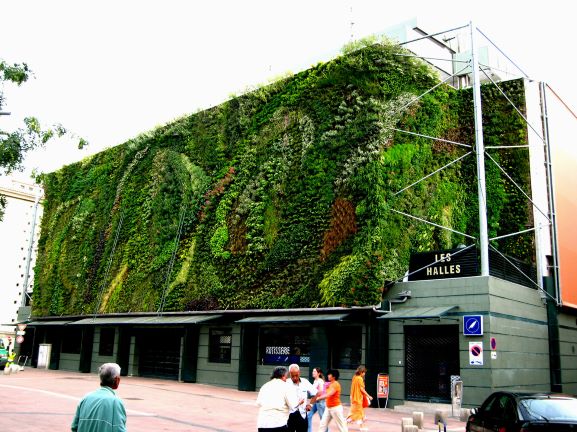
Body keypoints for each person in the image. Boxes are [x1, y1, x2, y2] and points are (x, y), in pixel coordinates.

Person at [71, 363, 127, 432]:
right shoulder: (116, 402)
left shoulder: (86, 398)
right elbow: (119, 429)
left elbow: (74, 427)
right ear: (116, 379)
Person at [257, 366, 303, 432]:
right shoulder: (286, 386)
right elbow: (293, 405)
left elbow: (259, 403)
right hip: (278, 424)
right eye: (286, 377)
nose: (286, 379)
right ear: (283, 376)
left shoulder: (265, 386)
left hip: (262, 424)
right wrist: (299, 402)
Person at [287, 364, 317, 432]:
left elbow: (315, 393)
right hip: (289, 416)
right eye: (292, 376)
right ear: (289, 374)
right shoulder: (286, 383)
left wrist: (310, 405)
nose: (294, 378)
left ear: (299, 373)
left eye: (296, 375)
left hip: (302, 415)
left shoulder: (305, 382)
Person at [347, 365, 373, 431]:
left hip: (353, 397)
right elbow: (362, 389)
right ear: (361, 372)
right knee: (359, 413)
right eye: (364, 372)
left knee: (354, 412)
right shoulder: (360, 379)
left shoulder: (354, 377)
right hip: (358, 398)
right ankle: (362, 427)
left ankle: (345, 423)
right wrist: (368, 396)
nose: (364, 374)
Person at [307, 367, 325, 432]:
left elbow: (321, 391)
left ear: (318, 373)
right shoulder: (315, 381)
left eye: (314, 371)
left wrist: (314, 395)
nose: (313, 372)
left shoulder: (320, 381)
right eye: (313, 371)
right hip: (315, 401)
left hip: (320, 402)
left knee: (323, 420)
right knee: (308, 416)